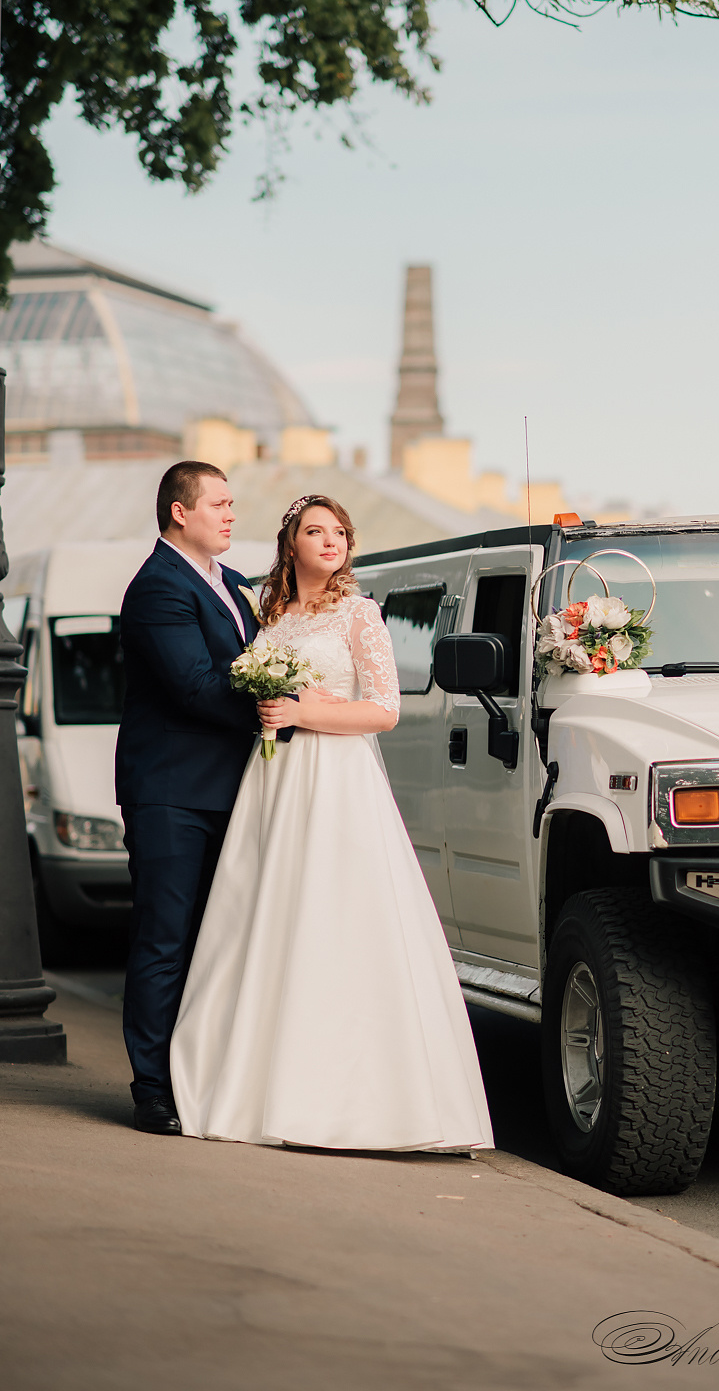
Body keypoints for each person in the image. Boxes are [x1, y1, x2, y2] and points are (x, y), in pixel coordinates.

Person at [169, 495, 494, 1154]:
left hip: (338, 781)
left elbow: (383, 711)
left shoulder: (361, 614)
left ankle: (350, 1101)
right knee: (268, 915)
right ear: (291, 543)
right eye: (315, 531)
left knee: (337, 916)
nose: (330, 541)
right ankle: (256, 1085)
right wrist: (268, 708)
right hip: (276, 781)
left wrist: (300, 715)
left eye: (339, 532)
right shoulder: (270, 612)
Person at [116, 461, 261, 1135]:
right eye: (220, 504)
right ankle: (153, 1090)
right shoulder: (158, 587)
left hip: (232, 790)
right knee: (164, 940)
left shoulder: (233, 585)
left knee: (219, 942)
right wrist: (281, 707)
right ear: (180, 512)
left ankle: (199, 1076)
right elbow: (196, 687)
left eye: (233, 504)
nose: (231, 514)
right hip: (171, 793)